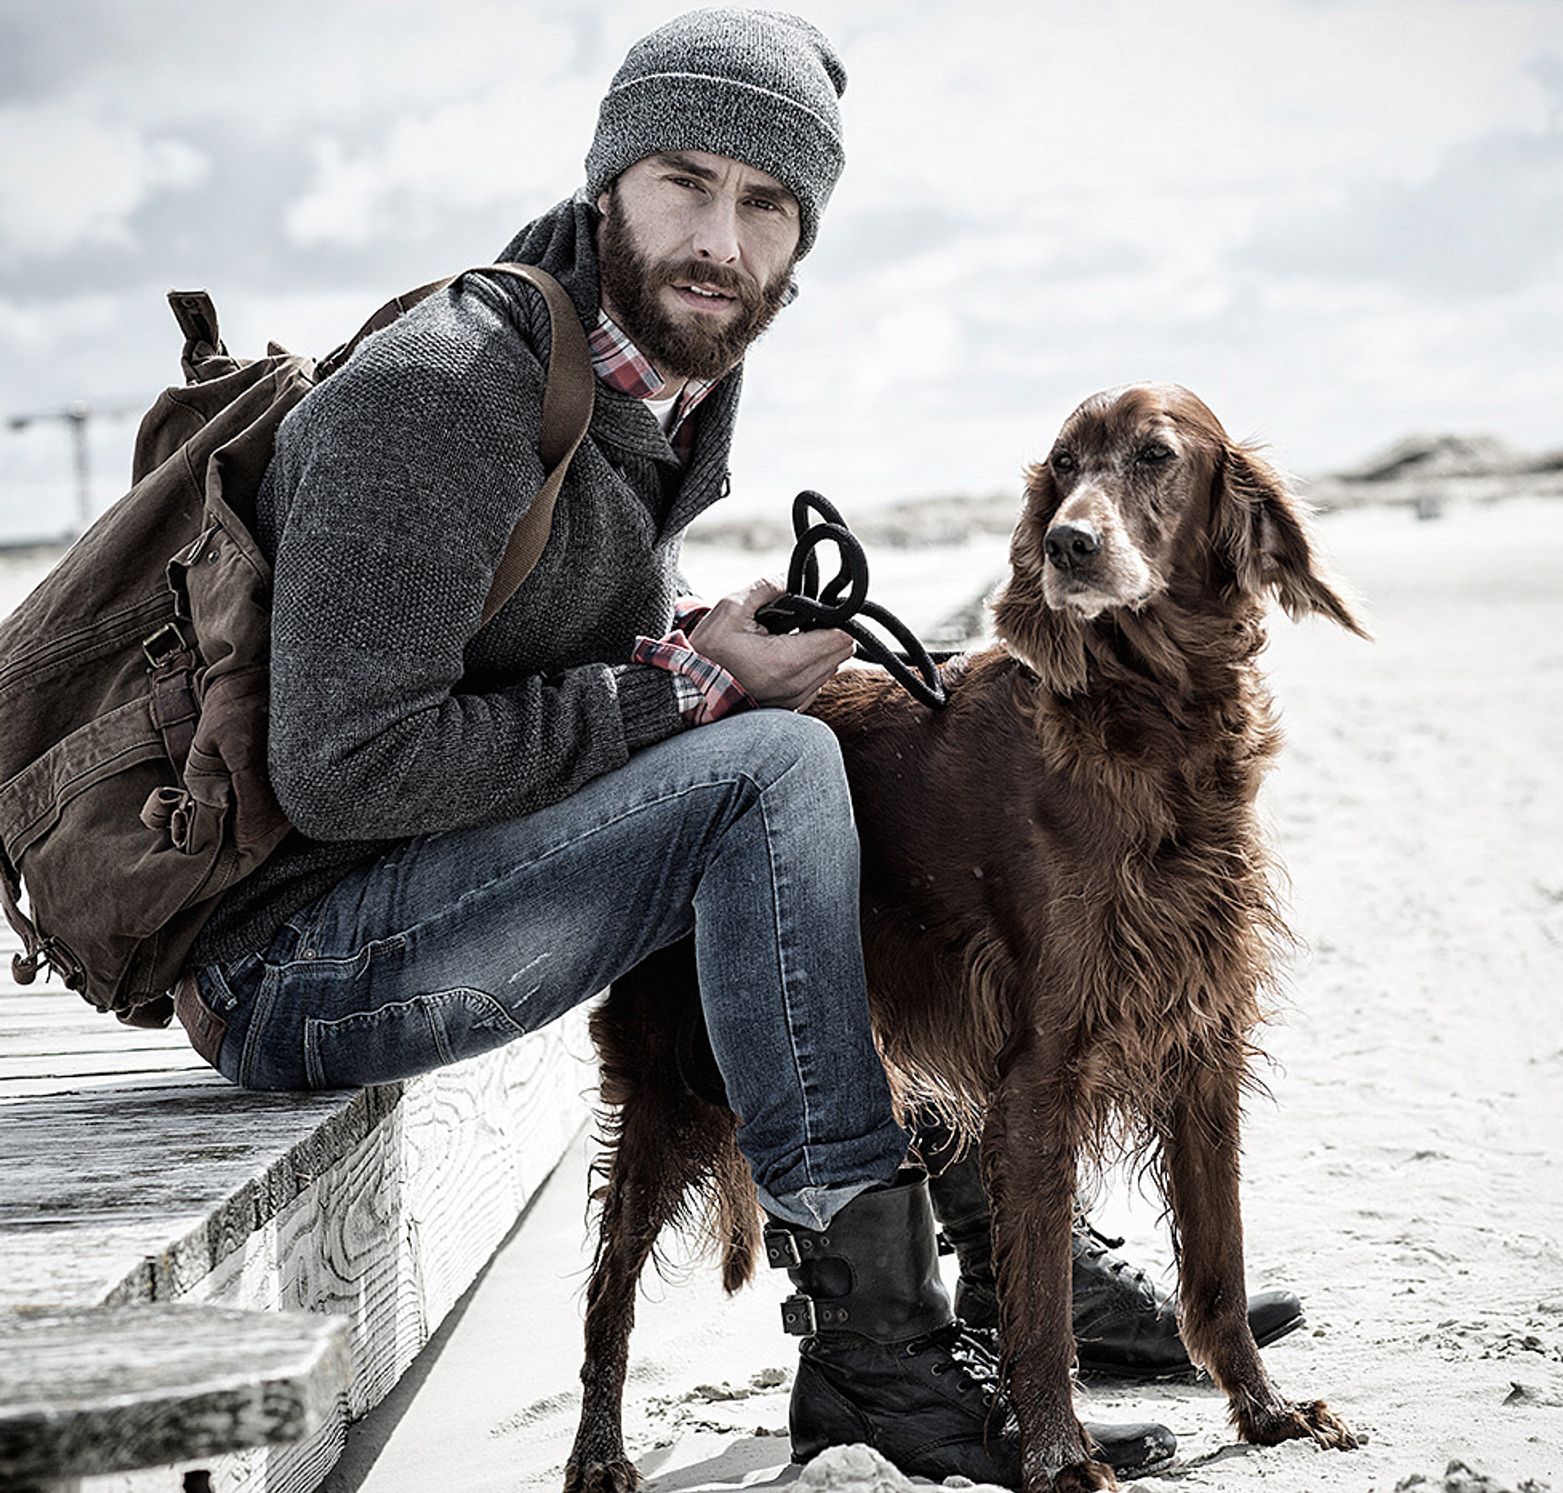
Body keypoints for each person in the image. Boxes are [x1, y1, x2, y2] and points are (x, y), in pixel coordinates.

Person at [169, 8, 1294, 1482]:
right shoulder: (442, 391)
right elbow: (343, 765)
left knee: (889, 762)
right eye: (685, 182)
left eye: (767, 203)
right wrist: (688, 683)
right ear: (605, 187)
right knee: (769, 766)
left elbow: (537, 653)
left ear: (799, 242)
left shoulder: (656, 382)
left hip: (435, 889)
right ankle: (879, 1342)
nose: (722, 235)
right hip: (296, 964)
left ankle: (1014, 1270)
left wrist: (707, 646)